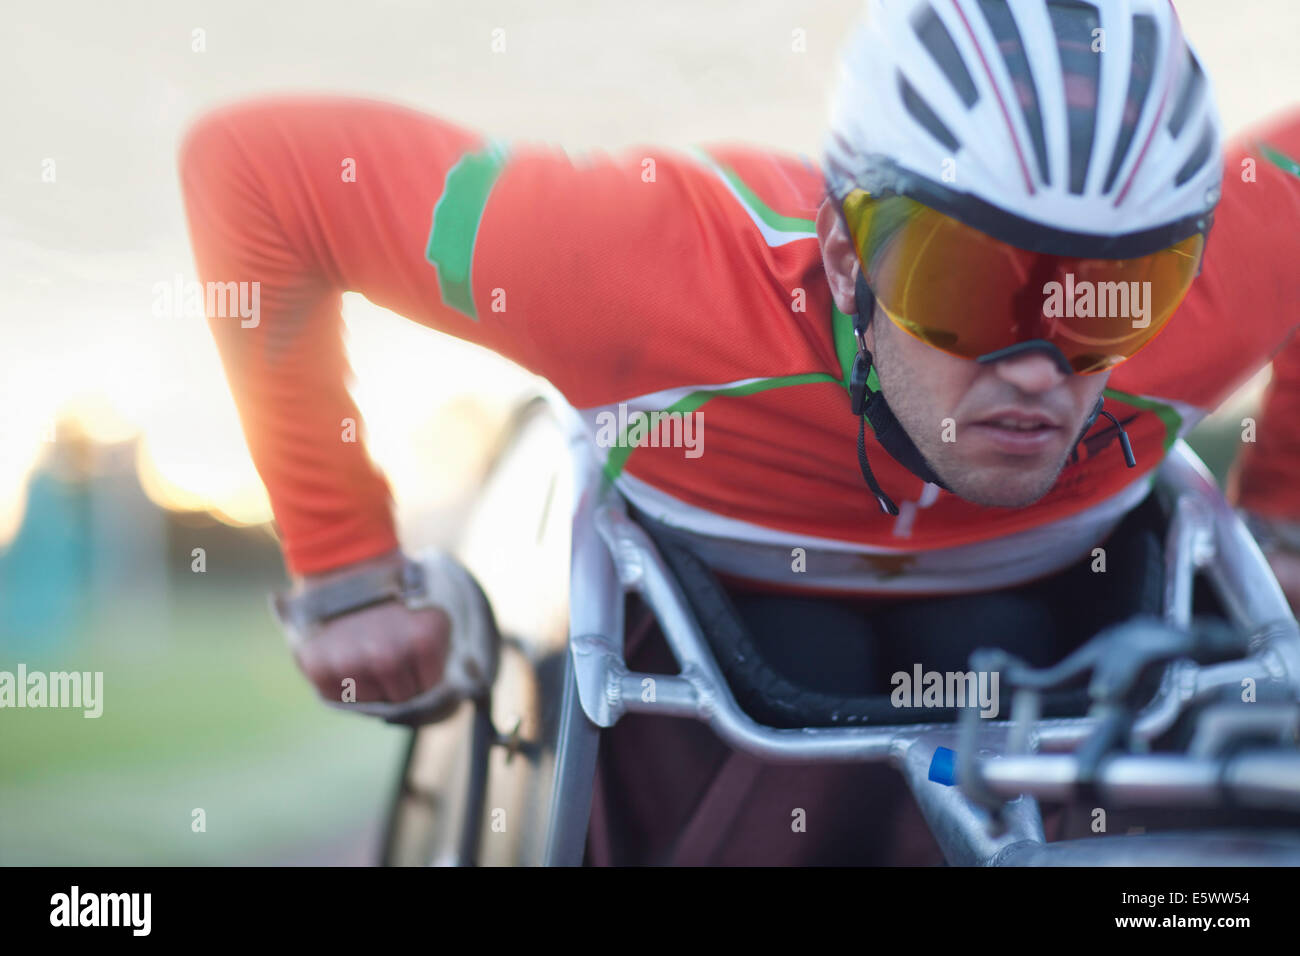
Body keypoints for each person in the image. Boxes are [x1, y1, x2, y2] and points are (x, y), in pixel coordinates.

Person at [179, 0, 1300, 864]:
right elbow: (256, 171)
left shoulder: (1208, 293)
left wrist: (1280, 509)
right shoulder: (632, 268)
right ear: (847, 255)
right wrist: (344, 568)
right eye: (965, 281)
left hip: (1043, 640)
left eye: (1117, 293)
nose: (1038, 368)